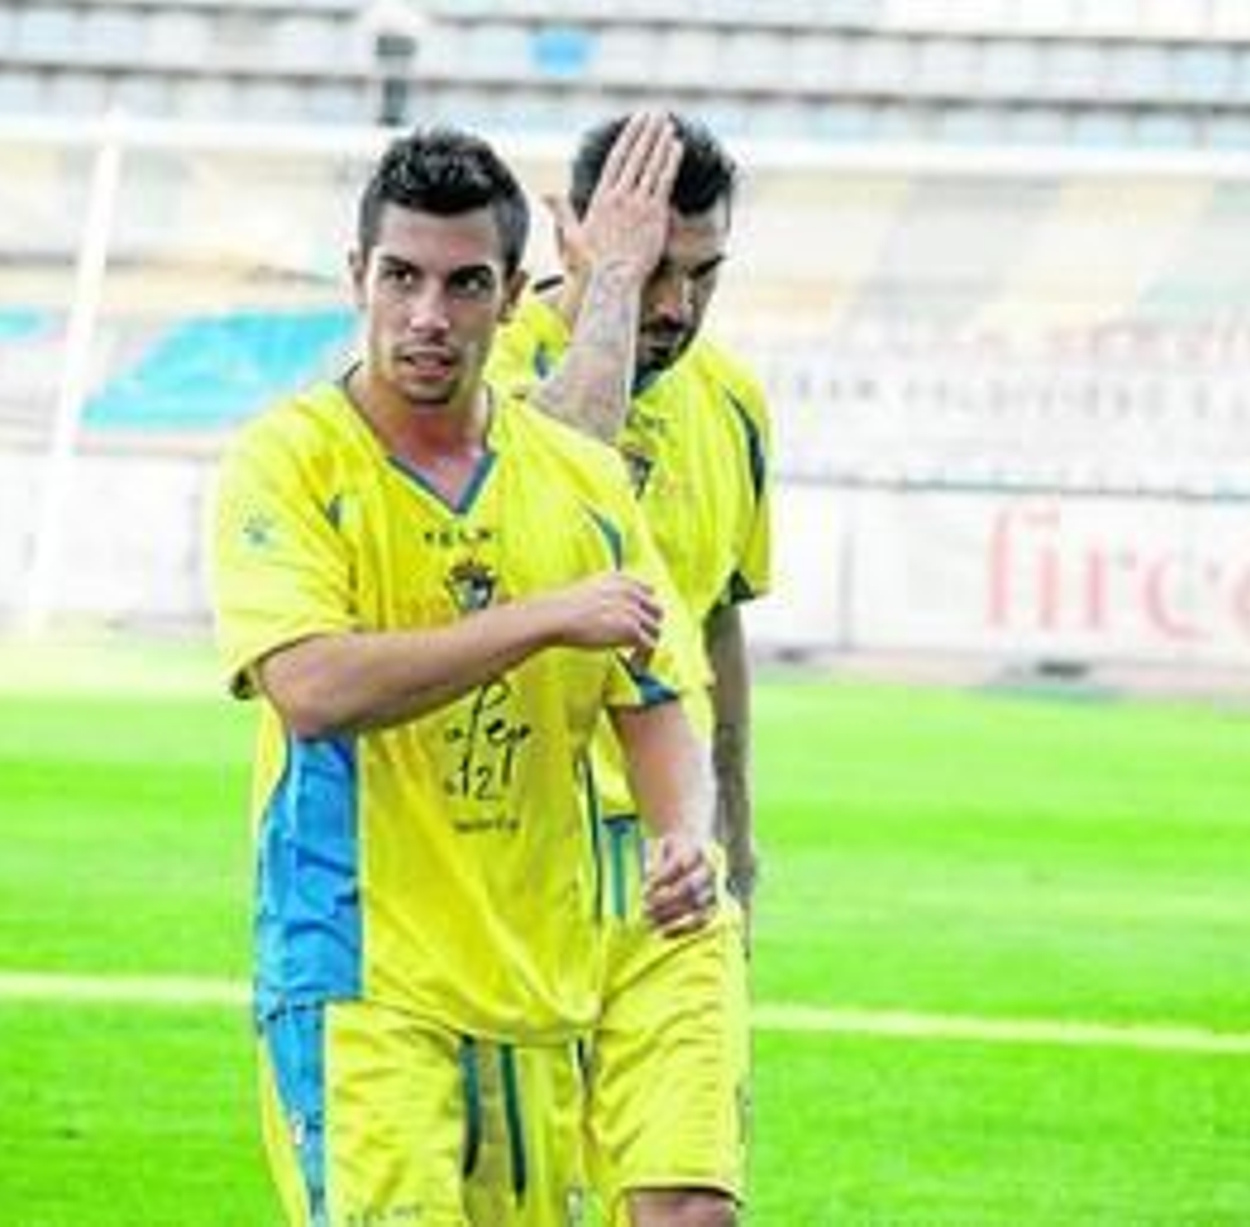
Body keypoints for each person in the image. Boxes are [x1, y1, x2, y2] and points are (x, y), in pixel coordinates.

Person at [208, 126, 725, 1226]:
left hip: (528, 986)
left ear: (508, 296)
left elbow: (658, 696)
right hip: (355, 974)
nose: (427, 315)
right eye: (400, 277)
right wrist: (539, 622)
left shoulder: (579, 480)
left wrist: (686, 832)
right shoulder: (288, 461)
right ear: (358, 279)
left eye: (462, 284)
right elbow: (310, 686)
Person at [487, 111, 770, 1227]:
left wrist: (736, 835)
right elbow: (544, 501)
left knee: (690, 1210)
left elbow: (716, 621)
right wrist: (606, 295)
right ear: (575, 239)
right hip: (505, 877)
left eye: (702, 276)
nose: (675, 308)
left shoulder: (736, 405)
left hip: (672, 871)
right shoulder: (484, 372)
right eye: (650, 270)